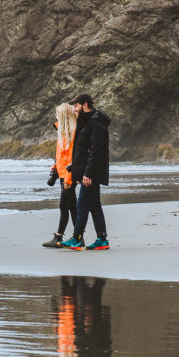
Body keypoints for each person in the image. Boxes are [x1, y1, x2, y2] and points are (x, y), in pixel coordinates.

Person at [61, 93, 110, 250]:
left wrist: (88, 173)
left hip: (91, 173)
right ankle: (102, 240)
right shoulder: (86, 122)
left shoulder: (96, 125)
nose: (74, 108)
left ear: (86, 105)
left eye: (76, 105)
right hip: (86, 172)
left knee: (82, 204)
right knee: (94, 205)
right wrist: (75, 170)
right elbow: (81, 151)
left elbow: (96, 152)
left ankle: (76, 239)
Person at [42, 102, 77, 248]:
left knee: (65, 206)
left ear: (63, 116)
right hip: (63, 173)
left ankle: (61, 237)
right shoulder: (62, 132)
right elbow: (61, 156)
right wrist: (55, 168)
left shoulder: (73, 133)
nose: (56, 116)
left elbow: (72, 158)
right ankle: (77, 236)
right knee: (72, 206)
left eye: (58, 114)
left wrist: (68, 179)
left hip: (69, 175)